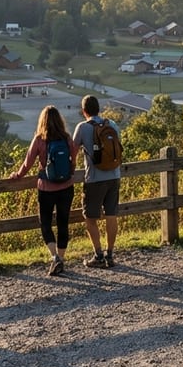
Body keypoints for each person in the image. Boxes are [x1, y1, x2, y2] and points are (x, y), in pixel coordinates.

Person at [9, 105, 78, 276]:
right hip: (66, 187)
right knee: (63, 223)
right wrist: (68, 174)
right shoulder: (67, 138)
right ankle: (61, 259)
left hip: (46, 188)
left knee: (45, 223)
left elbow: (28, 162)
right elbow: (73, 161)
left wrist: (17, 174)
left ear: (42, 121)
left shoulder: (40, 139)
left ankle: (55, 258)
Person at [72, 94, 120, 268]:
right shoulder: (111, 125)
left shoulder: (83, 127)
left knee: (90, 217)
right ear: (98, 108)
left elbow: (73, 150)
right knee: (111, 215)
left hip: (94, 179)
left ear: (84, 111)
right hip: (114, 176)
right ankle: (110, 254)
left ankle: (98, 255)